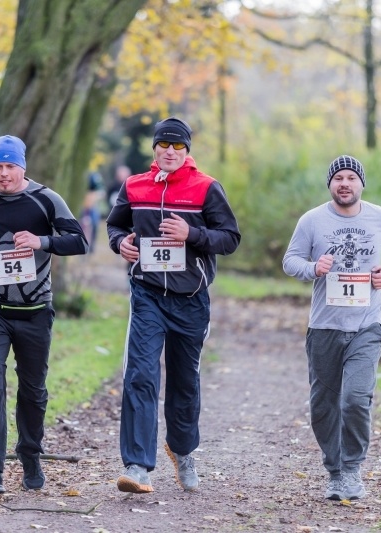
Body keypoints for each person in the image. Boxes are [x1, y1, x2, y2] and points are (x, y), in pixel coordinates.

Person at [106, 116, 241, 493]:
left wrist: (191, 233)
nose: (169, 151)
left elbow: (230, 238)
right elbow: (115, 227)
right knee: (141, 376)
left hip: (191, 299)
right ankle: (137, 467)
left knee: (184, 382)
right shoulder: (134, 186)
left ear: (187, 151)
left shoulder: (206, 188)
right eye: (163, 145)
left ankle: (182, 451)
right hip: (147, 294)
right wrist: (122, 244)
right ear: (154, 148)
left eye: (177, 146)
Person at [0, 135, 89, 495]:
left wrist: (41, 241)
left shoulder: (45, 200)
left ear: (23, 167)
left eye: (10, 166)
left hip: (34, 312)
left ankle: (30, 453)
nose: (3, 174)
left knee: (33, 391)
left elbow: (79, 241)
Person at [281, 155, 381, 501]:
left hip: (367, 324)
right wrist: (313, 268)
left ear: (361, 183)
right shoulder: (312, 221)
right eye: (338, 177)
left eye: (351, 177)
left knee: (354, 399)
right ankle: (334, 471)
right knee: (323, 405)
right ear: (330, 184)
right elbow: (290, 260)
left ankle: (351, 469)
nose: (345, 183)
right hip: (324, 325)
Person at [80, 171, 104, 252]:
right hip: (84, 204)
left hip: (93, 204)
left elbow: (101, 191)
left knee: (94, 225)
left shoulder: (96, 176)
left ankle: (91, 247)